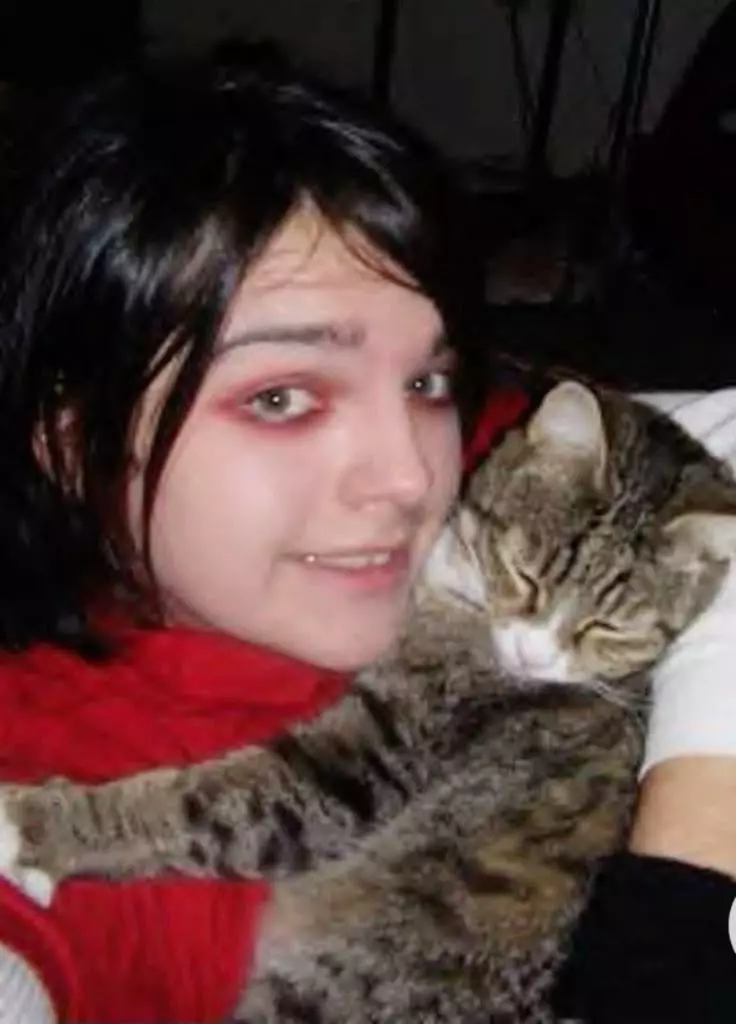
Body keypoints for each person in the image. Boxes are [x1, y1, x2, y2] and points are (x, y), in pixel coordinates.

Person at [0, 52, 733, 1024]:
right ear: (70, 444)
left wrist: (689, 836)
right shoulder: (53, 741)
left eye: (427, 381)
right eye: (280, 396)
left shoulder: (511, 475)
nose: (412, 478)